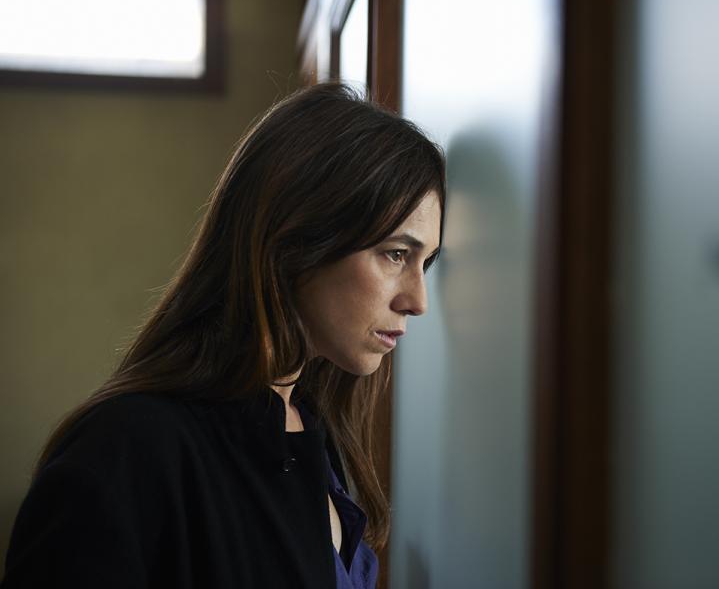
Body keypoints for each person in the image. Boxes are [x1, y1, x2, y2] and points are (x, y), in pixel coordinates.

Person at [0, 82, 445, 589]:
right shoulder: (126, 447)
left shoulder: (312, 431)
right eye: (396, 254)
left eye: (426, 263)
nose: (418, 300)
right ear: (297, 240)